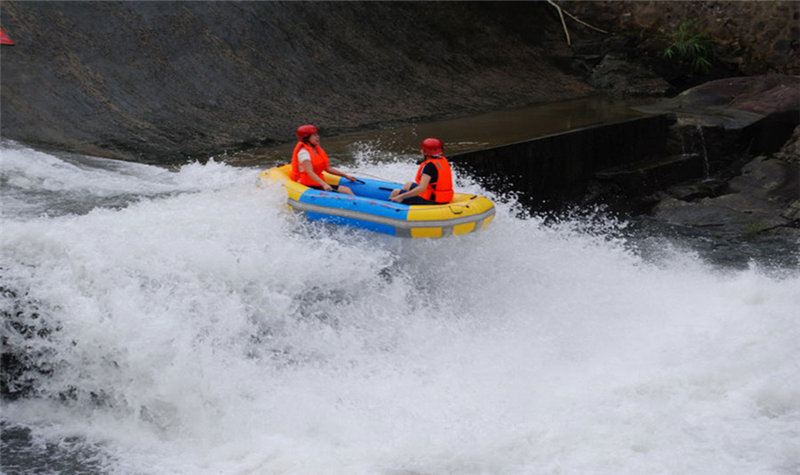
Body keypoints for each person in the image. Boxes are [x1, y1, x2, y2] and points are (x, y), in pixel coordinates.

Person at [290, 124, 356, 194]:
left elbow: (327, 168)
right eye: (314, 135)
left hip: (317, 183)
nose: (317, 137)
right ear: (306, 138)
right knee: (344, 191)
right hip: (307, 185)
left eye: (317, 134)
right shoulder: (304, 153)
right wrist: (324, 184)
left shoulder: (316, 149)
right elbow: (310, 172)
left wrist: (346, 176)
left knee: (346, 190)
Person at [389, 137, 454, 205]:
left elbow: (422, 188)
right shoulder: (442, 160)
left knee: (396, 192)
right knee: (408, 184)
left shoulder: (429, 166)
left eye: (422, 149)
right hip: (444, 196)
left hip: (434, 200)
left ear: (425, 152)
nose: (421, 150)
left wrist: (401, 197)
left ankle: (390, 209)